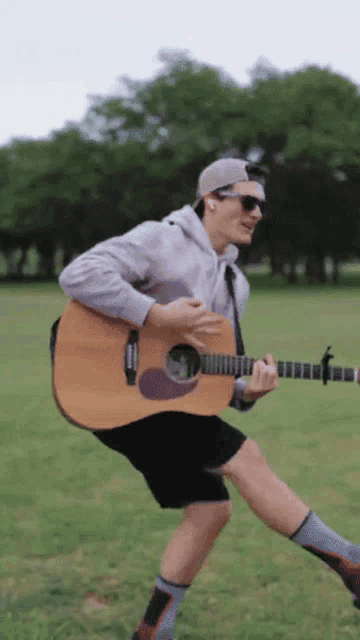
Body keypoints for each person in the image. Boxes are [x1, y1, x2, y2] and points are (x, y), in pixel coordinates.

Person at [58, 158, 360, 639]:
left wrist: (247, 393)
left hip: (157, 405)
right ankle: (350, 561)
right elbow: (79, 274)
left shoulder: (233, 285)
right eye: (248, 201)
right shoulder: (162, 239)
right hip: (109, 389)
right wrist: (154, 317)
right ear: (211, 200)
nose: (257, 213)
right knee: (245, 458)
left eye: (261, 205)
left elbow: (204, 377)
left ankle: (154, 631)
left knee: (209, 511)